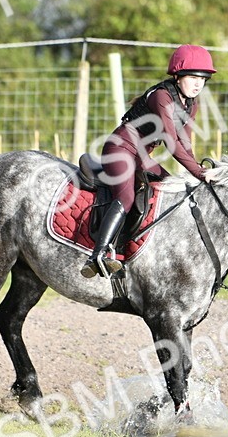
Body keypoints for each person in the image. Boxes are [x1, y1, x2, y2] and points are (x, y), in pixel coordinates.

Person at [80, 44, 216, 278]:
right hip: (120, 149)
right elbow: (172, 143)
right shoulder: (162, 96)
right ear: (177, 76)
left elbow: (185, 142)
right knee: (126, 196)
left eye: (202, 79)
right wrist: (200, 173)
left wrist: (196, 168)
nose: (198, 84)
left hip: (142, 156)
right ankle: (98, 254)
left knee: (170, 189)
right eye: (193, 77)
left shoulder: (191, 103)